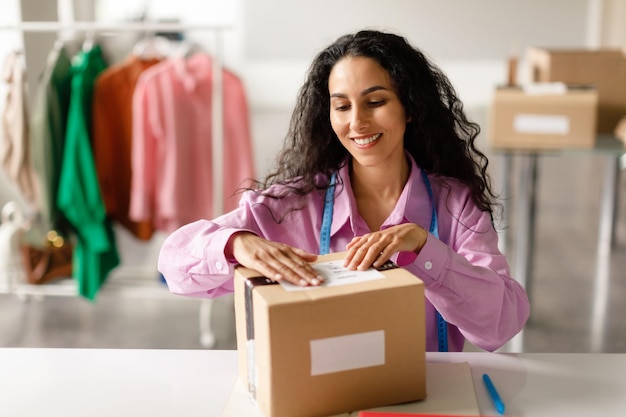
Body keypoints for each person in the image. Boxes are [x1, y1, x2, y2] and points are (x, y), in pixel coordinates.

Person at [157, 29, 530, 352]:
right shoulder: (291, 205)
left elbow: (501, 325)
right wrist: (235, 243)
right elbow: (173, 265)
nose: (357, 122)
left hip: (428, 396)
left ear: (410, 107)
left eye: (376, 102)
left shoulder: (455, 204)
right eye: (342, 106)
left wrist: (426, 252)